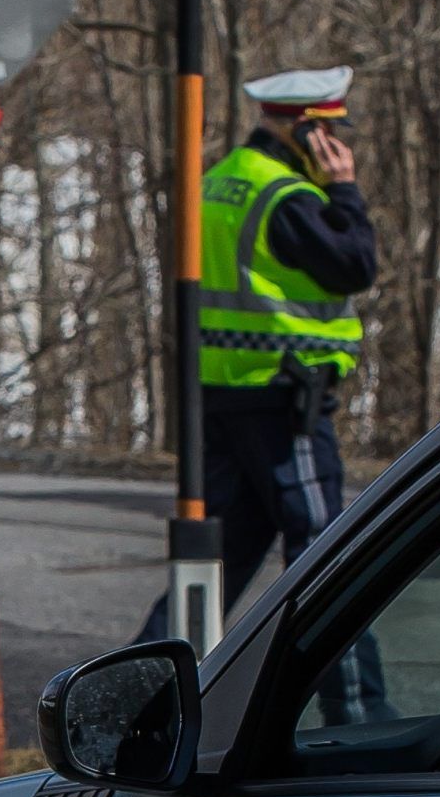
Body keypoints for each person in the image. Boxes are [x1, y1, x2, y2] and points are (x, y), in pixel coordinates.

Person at [141, 65, 384, 641]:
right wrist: (345, 190)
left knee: (216, 565)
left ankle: (134, 701)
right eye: (332, 134)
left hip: (224, 396)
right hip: (282, 398)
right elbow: (356, 265)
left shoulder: (224, 179)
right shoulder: (288, 198)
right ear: (306, 131)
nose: (339, 148)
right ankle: (357, 713)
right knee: (330, 564)